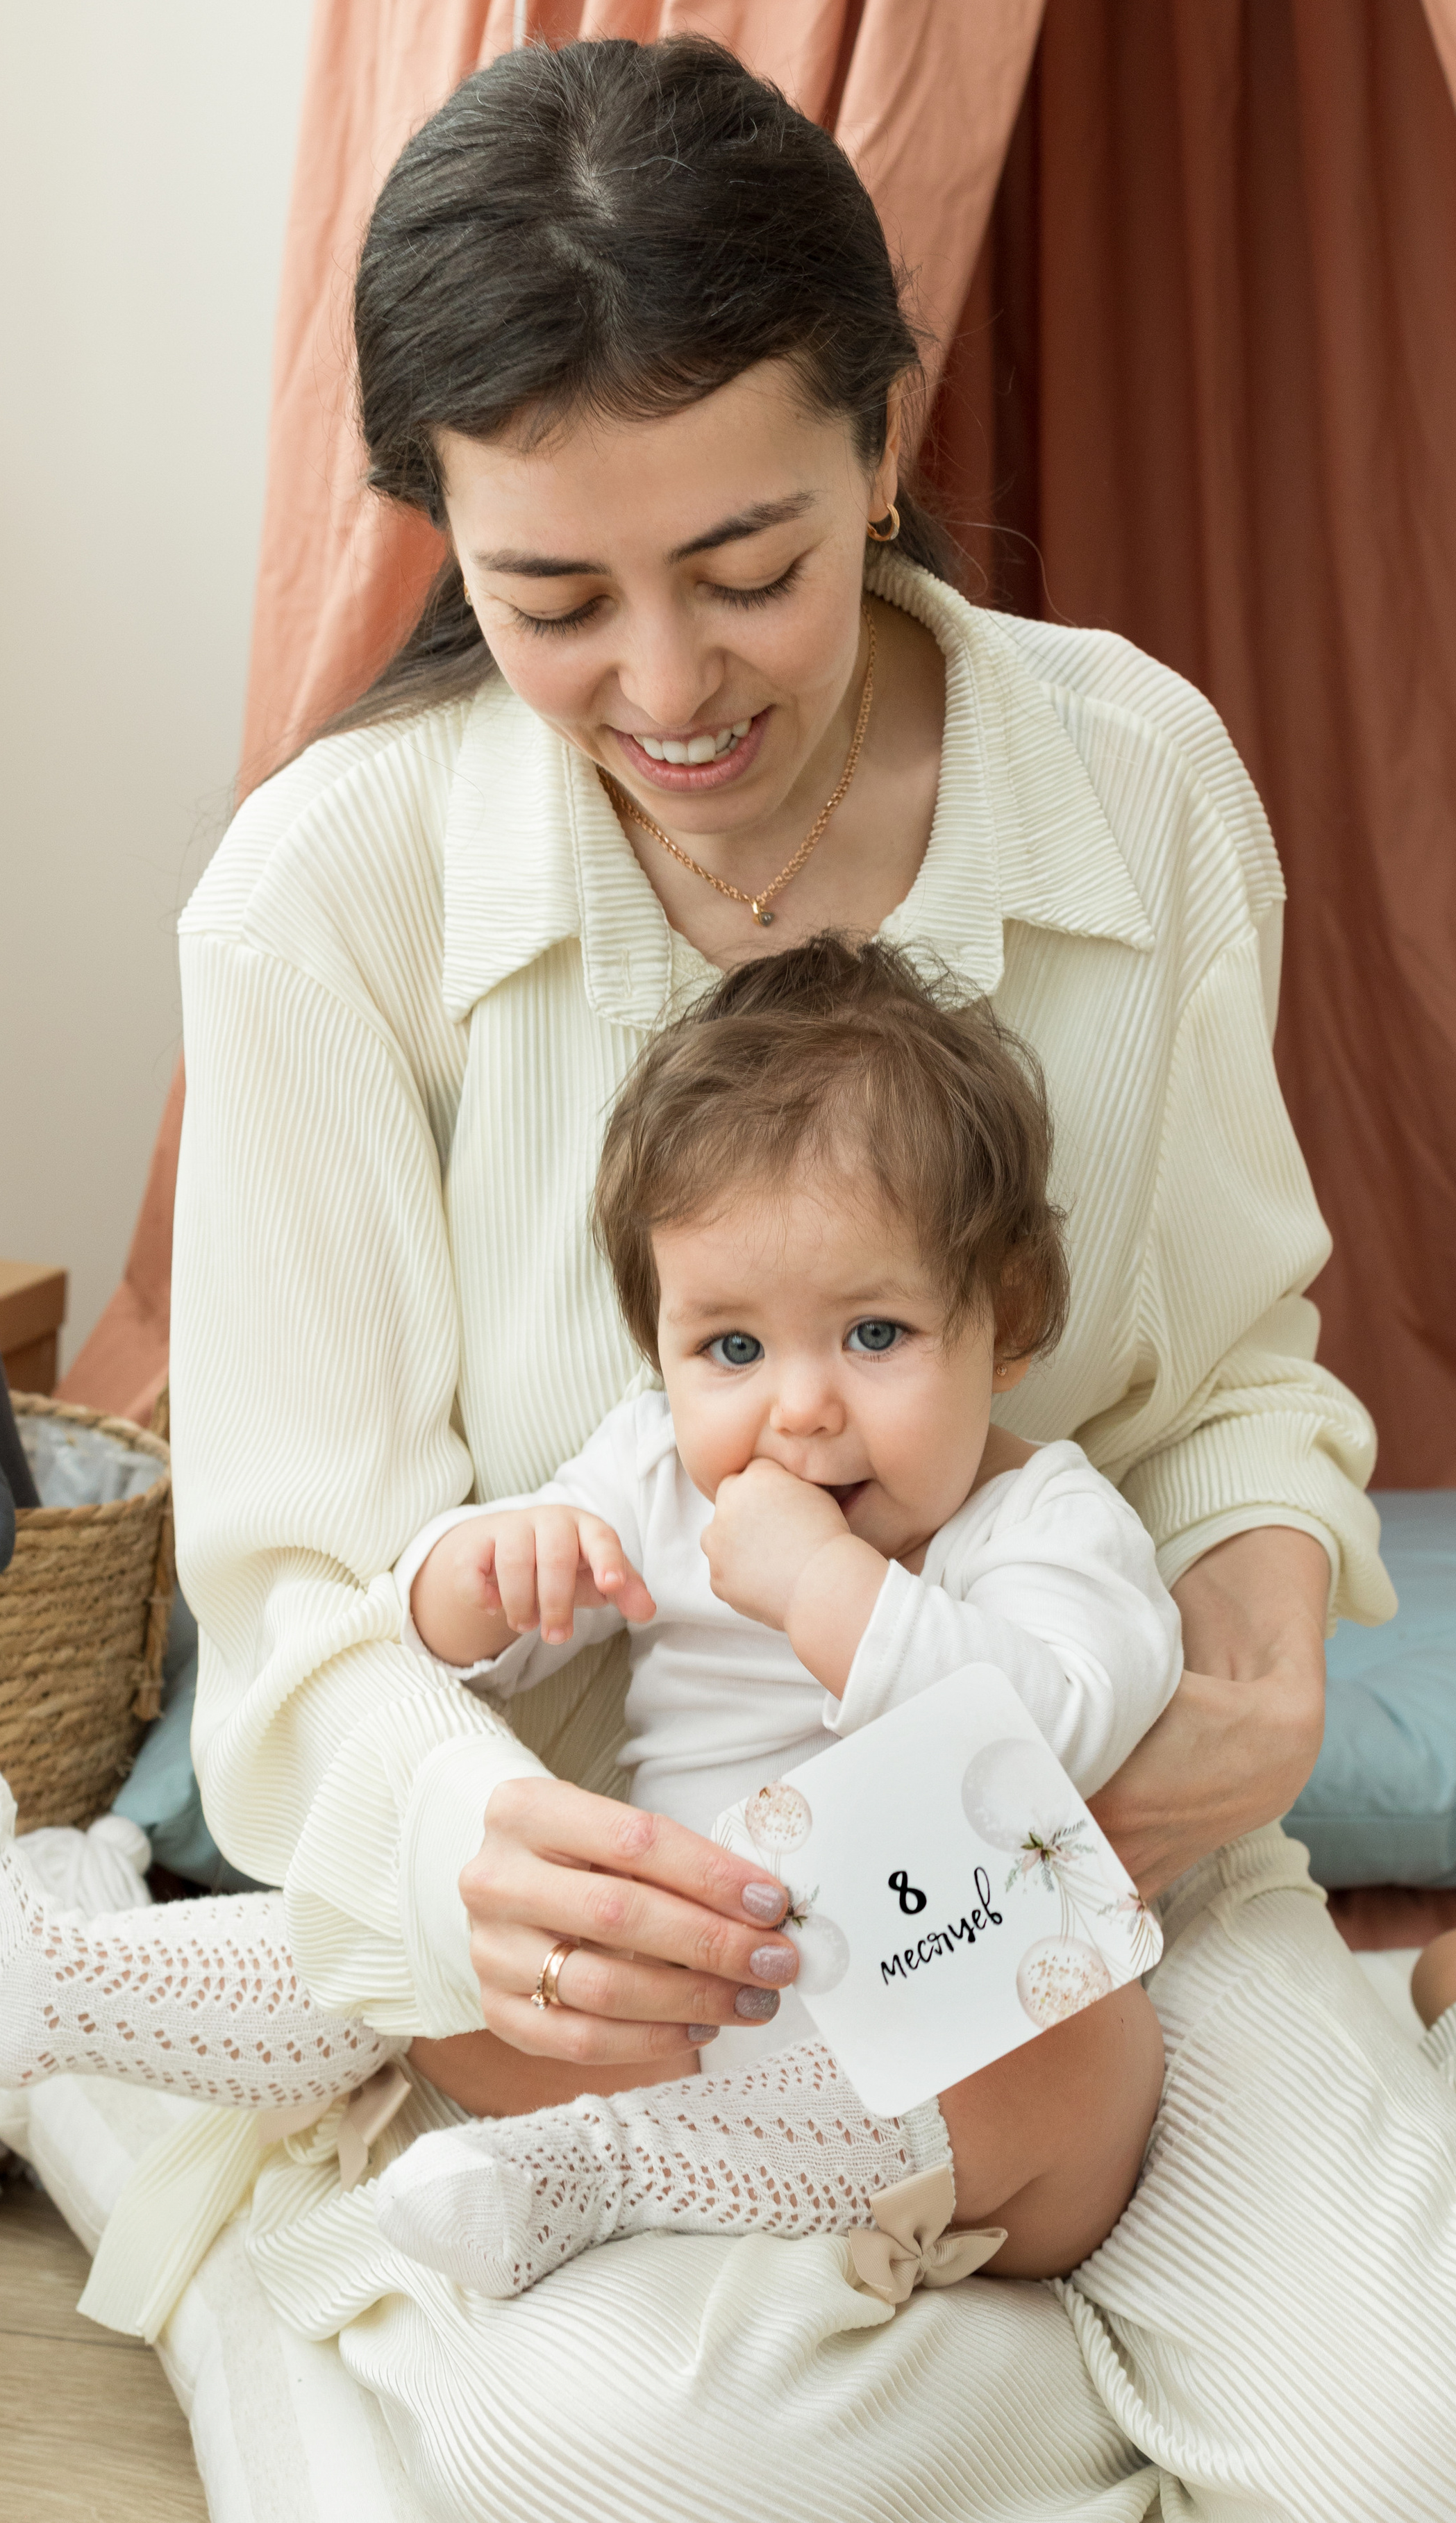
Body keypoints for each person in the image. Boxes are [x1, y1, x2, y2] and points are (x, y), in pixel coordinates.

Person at [0, 31, 1456, 2523]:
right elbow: (299, 1607)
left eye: (749, 571)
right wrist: (466, 1839)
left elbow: (1230, 1375)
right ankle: (1159, 2328)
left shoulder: (1136, 778)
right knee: (620, 2469)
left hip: (1079, 1907)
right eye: (549, 602)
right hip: (622, 1983)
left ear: (884, 439)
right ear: (440, 531)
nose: (667, 688)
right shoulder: (325, 902)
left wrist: (1260, 1639)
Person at [372, 933, 1179, 2297]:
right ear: (661, 1350)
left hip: (936, 2052)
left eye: (874, 1334)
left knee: (1084, 2042)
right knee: (374, 1941)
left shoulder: (1042, 1521)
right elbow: (461, 1661)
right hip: (672, 2006)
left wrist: (822, 1585)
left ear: (1008, 1312)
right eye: (732, 1349)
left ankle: (608, 2175)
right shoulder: (653, 1473)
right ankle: (71, 1980)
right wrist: (477, 1574)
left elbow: (1054, 1739)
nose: (799, 1409)